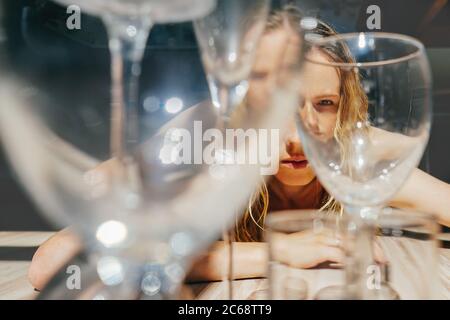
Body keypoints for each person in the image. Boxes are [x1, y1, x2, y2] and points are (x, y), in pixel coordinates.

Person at [28, 6, 450, 291]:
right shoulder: (205, 138)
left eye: (325, 104)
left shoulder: (358, 151)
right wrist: (279, 250)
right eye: (281, 104)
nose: (300, 134)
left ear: (344, 109)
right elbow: (54, 262)